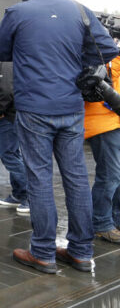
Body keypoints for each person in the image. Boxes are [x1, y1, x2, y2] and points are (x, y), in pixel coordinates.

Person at [0, 0, 118, 274]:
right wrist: (76, 60)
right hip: (71, 107)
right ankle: (80, 251)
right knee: (76, 179)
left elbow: (0, 49)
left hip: (34, 107)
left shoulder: (17, 12)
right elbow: (106, 48)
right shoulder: (79, 10)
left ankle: (43, 253)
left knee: (39, 178)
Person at [0, 40, 28, 213]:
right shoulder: (3, 61)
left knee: (9, 155)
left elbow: (7, 90)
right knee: (13, 154)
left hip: (8, 117)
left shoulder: (7, 61)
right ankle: (18, 195)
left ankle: (29, 196)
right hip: (7, 116)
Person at [84, 37, 120, 243]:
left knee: (115, 175)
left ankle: (114, 220)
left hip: (112, 120)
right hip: (105, 122)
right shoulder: (103, 55)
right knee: (110, 175)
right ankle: (101, 224)